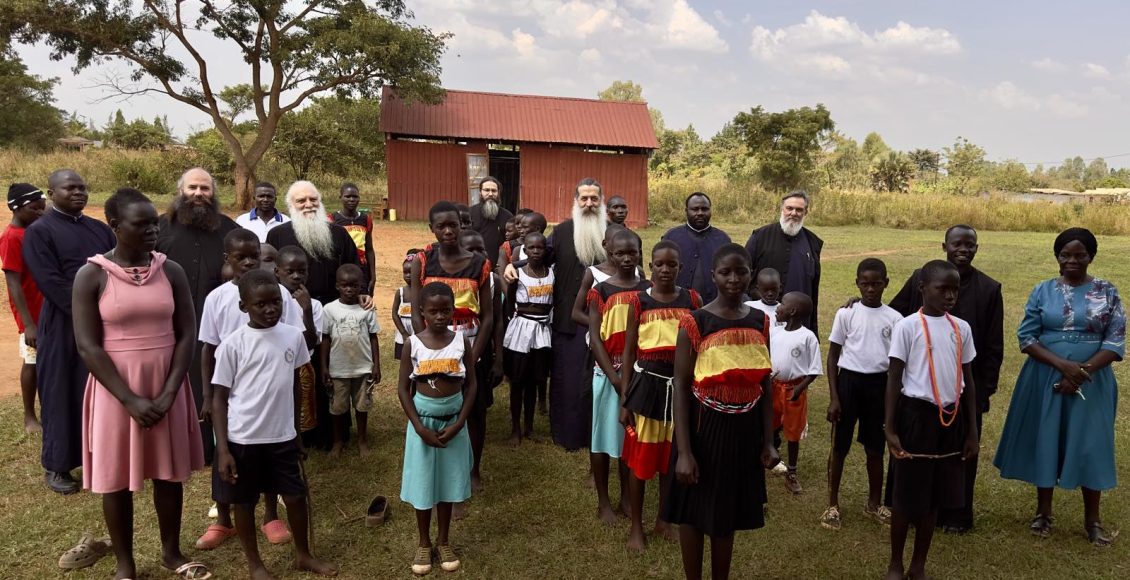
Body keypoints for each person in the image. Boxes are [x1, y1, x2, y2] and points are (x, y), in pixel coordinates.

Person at [72, 188, 209, 580]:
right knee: (116, 480)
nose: (152, 230)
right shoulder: (92, 275)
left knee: (168, 473)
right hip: (117, 390)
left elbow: (187, 333)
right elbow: (87, 345)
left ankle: (171, 552)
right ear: (115, 226)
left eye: (154, 222)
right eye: (141, 223)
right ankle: (125, 563)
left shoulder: (171, 270)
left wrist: (169, 391)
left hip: (168, 384)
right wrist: (130, 398)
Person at [994, 228, 1124, 547]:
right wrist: (1063, 366)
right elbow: (1026, 338)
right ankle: (1043, 512)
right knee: (1047, 438)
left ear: (1091, 256)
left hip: (1093, 382)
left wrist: (1080, 371)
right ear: (1057, 257)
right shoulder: (1042, 290)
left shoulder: (1107, 291)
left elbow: (1115, 340)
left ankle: (1092, 521)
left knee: (1090, 444)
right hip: (1045, 378)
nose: (1072, 260)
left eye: (1079, 254)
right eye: (1065, 254)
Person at [211, 270, 338, 579]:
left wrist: (295, 430)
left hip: (282, 436)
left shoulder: (292, 336)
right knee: (245, 501)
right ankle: (255, 564)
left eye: (276, 303)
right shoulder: (232, 345)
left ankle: (303, 555)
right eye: (260, 304)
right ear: (244, 307)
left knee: (295, 495)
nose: (270, 310)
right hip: (243, 438)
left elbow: (294, 384)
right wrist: (224, 450)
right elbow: (219, 400)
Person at [663, 244, 777, 580]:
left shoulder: (760, 321)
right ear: (713, 275)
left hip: (744, 430)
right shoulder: (695, 322)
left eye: (740, 271)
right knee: (693, 510)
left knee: (726, 513)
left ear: (750, 275)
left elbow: (765, 383)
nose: (733, 278)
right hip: (702, 428)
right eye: (725, 272)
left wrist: (768, 440)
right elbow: (682, 388)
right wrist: (684, 452)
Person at [196, 229, 312, 550]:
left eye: (255, 256)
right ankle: (223, 520)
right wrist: (207, 395)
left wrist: (298, 428)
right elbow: (208, 348)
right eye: (241, 257)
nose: (249, 261)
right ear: (228, 259)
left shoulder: (281, 297)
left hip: (274, 406)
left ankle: (272, 516)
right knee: (231, 466)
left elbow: (296, 350)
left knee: (274, 469)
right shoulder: (217, 299)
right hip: (234, 401)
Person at [887, 224, 1004, 533]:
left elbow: (993, 347)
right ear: (945, 246)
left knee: (960, 455)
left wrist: (984, 392)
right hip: (920, 387)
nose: (963, 249)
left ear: (977, 248)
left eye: (970, 245)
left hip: (963, 389)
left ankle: (956, 515)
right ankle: (912, 510)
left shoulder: (989, 289)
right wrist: (859, 306)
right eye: (957, 244)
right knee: (915, 455)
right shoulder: (921, 278)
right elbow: (894, 313)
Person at [884, 260, 978, 580]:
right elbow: (894, 378)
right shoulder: (907, 326)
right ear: (923, 289)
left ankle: (918, 564)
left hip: (950, 420)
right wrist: (891, 428)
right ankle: (896, 563)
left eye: (955, 289)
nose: (950, 295)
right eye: (943, 289)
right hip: (915, 417)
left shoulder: (961, 328)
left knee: (935, 497)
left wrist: (972, 433)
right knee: (905, 497)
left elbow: (968, 381)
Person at [23, 169, 115, 494]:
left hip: (104, 317)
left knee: (94, 388)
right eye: (70, 188)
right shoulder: (39, 231)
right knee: (60, 390)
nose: (78, 192)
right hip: (63, 321)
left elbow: (117, 268)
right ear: (51, 192)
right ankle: (58, 464)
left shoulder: (100, 229)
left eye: (83, 187)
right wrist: (87, 311)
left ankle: (97, 457)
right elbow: (48, 279)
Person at [504, 178, 608, 451]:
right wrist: (509, 266)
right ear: (576, 201)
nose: (588, 204)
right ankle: (566, 434)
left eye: (593, 199)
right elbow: (538, 257)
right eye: (583, 198)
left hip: (605, 319)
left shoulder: (612, 231)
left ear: (601, 201)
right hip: (567, 320)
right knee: (567, 378)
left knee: (597, 380)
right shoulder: (562, 232)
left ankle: (595, 434)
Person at [620, 240, 701, 551]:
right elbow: (628, 353)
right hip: (647, 390)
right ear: (650, 267)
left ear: (680, 268)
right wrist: (625, 399)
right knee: (641, 461)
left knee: (671, 458)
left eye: (672, 265)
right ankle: (637, 527)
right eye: (660, 264)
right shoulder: (639, 302)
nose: (666, 270)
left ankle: (665, 520)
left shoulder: (693, 300)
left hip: (681, 392)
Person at [157, 167, 240, 461]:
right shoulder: (160, 229)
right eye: (193, 187)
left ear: (213, 193)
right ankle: (178, 444)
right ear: (181, 191)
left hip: (218, 325)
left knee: (215, 382)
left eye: (205, 188)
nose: (198, 194)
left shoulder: (229, 230)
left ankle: (214, 445)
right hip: (171, 323)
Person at [410, 201, 493, 493]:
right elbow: (416, 310)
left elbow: (488, 315)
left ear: (461, 225)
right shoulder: (422, 260)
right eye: (441, 226)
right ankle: (436, 463)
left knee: (475, 408)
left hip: (470, 343)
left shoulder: (479, 264)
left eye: (453, 225)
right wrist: (428, 348)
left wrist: (475, 354)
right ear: (431, 228)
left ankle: (473, 469)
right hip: (433, 344)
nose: (448, 231)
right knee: (436, 404)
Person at [398, 282, 476, 575]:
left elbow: (471, 387)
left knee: (447, 484)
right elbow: (404, 390)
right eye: (434, 311)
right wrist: (418, 427)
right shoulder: (412, 344)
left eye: (446, 309)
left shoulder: (461, 341)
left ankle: (444, 540)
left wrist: (459, 424)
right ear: (422, 312)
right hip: (423, 426)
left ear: (453, 309)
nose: (441, 316)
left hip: (453, 425)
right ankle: (423, 542)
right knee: (423, 485)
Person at [822, 258, 902, 530]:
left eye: (876, 284)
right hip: (849, 385)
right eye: (865, 284)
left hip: (878, 387)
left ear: (886, 284)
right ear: (857, 283)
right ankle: (832, 504)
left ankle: (874, 503)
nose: (870, 289)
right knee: (839, 447)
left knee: (875, 449)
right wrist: (834, 396)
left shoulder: (895, 319)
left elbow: (896, 363)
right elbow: (833, 357)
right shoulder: (846, 313)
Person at [587, 229, 649, 525]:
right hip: (608, 373)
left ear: (640, 253)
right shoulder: (602, 291)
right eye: (619, 254)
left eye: (632, 253)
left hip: (640, 375)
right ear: (609, 254)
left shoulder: (649, 289)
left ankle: (627, 494)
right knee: (602, 436)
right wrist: (613, 378)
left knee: (630, 438)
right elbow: (596, 338)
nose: (626, 259)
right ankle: (603, 499)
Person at [266, 181, 362, 306]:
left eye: (313, 199)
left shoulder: (340, 233)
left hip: (333, 306)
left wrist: (363, 292)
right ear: (291, 206)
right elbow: (269, 274)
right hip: (291, 305)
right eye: (301, 201)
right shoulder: (277, 235)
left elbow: (354, 268)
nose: (309, 205)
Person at [321, 264, 381, 458]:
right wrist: (323, 366)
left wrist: (376, 365)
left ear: (361, 286)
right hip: (338, 368)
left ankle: (362, 441)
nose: (349, 289)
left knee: (362, 406)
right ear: (337, 285)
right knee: (338, 408)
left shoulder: (367, 309)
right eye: (345, 285)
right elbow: (325, 339)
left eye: (354, 285)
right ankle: (338, 442)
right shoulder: (329, 309)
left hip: (363, 367)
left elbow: (373, 337)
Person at [744, 190, 823, 335]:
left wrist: (813, 329)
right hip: (763, 318)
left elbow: (813, 289)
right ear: (782, 209)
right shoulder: (760, 237)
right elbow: (743, 275)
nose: (793, 213)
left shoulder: (813, 242)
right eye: (789, 208)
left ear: (806, 212)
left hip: (798, 322)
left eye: (799, 210)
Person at [1, 183, 46, 433]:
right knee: (32, 361)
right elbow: (13, 282)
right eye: (34, 209)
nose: (40, 212)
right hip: (31, 312)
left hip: (47, 305)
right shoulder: (11, 237)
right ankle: (30, 416)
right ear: (16, 209)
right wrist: (28, 323)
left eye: (42, 208)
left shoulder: (35, 230)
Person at [502, 231, 553, 444]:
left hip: (541, 332)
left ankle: (529, 428)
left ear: (545, 249)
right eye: (531, 248)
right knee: (518, 382)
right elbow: (510, 300)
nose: (535, 252)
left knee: (534, 381)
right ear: (525, 248)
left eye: (539, 248)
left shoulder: (551, 273)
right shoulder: (518, 272)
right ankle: (515, 428)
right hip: (521, 331)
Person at [769, 291, 821, 495]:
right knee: (769, 424)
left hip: (793, 390)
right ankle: (768, 456)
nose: (777, 308)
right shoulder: (775, 331)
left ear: (791, 311)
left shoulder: (807, 337)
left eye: (781, 304)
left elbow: (814, 370)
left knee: (793, 431)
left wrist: (799, 390)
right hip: (773, 387)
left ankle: (791, 472)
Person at [275, 244, 324, 447]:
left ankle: (299, 443)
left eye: (301, 271)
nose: (296, 276)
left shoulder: (314, 305)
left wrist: (306, 310)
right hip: (277, 363)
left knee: (299, 409)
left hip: (302, 364)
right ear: (277, 272)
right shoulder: (273, 300)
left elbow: (310, 341)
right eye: (290, 271)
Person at [661, 192, 731, 304]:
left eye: (704, 209)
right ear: (686, 211)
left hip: (714, 306)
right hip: (677, 305)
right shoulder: (671, 237)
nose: (700, 213)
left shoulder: (723, 240)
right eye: (695, 209)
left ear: (710, 210)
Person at [332, 183, 376, 294]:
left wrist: (373, 275)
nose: (351, 199)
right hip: (341, 268)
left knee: (363, 300)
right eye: (347, 196)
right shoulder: (333, 219)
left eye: (355, 197)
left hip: (362, 268)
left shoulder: (365, 219)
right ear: (340, 198)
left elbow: (369, 249)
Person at [469, 177, 514, 260]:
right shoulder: (469, 213)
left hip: (500, 264)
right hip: (473, 263)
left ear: (498, 193)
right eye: (486, 190)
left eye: (494, 191)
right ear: (480, 192)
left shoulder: (508, 216)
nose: (490, 194)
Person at [392, 250, 422, 361]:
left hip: (418, 328)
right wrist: (403, 333)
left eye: (412, 272)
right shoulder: (400, 292)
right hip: (402, 330)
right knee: (404, 359)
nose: (409, 275)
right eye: (405, 272)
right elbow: (394, 314)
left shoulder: (423, 291)